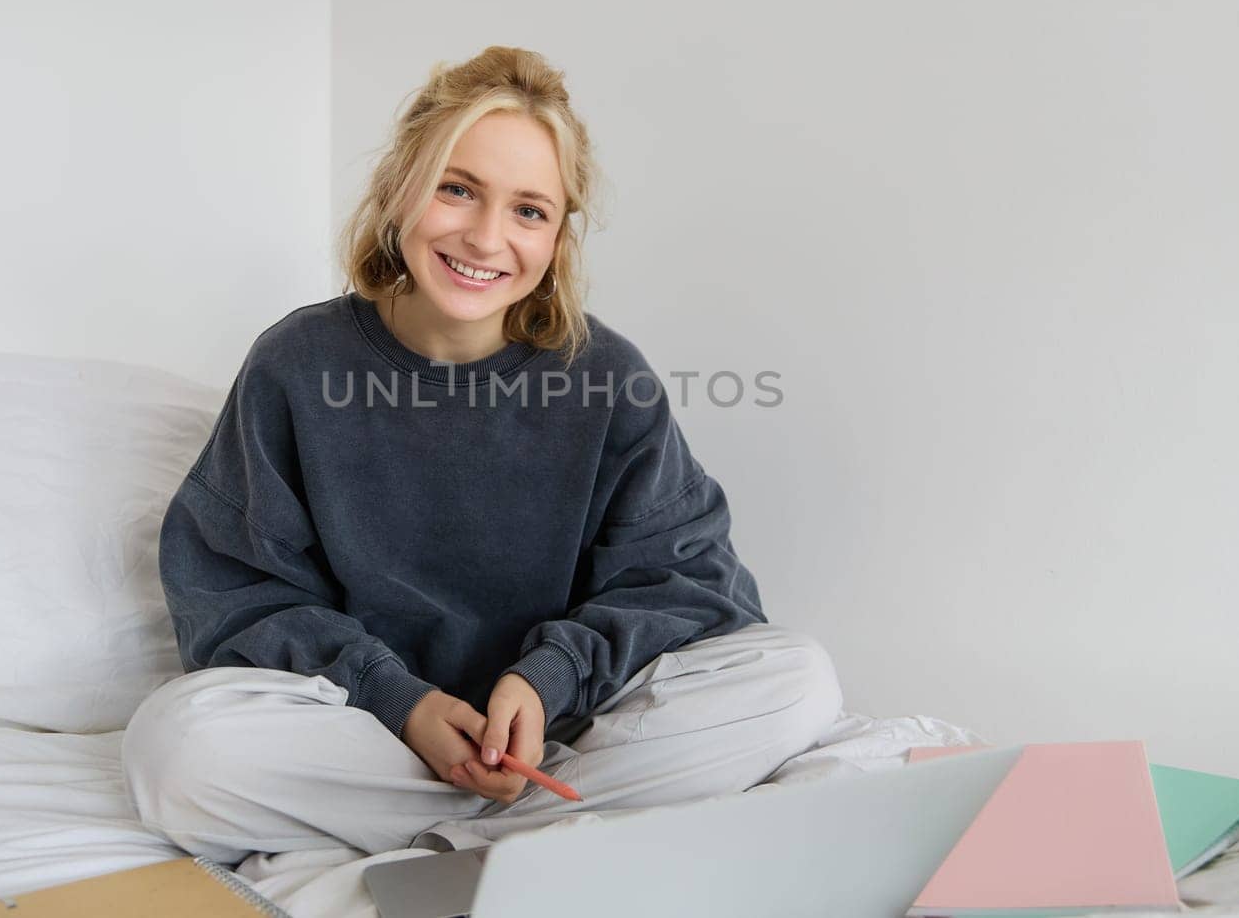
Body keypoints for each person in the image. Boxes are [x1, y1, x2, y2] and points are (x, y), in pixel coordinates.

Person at [121, 45, 843, 863]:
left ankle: (474, 833)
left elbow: (688, 582)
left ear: (557, 236)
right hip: (372, 735)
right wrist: (399, 700)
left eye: (529, 210)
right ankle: (543, 836)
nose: (486, 236)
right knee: (172, 749)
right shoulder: (297, 362)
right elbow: (236, 593)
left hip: (566, 737)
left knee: (799, 679)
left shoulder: (606, 375)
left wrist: (548, 678)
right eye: (457, 188)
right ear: (401, 188)